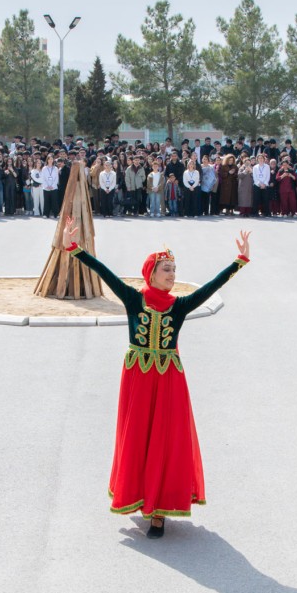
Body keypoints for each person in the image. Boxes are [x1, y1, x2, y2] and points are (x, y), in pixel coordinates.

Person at [62, 216, 251, 538]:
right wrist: (74, 249)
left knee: (166, 439)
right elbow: (105, 273)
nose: (172, 276)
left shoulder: (179, 306)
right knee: (136, 437)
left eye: (175, 271)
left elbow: (210, 287)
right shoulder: (133, 298)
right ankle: (137, 495)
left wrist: (240, 261)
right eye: (167, 270)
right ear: (151, 272)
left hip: (168, 379)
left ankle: (159, 510)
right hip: (138, 375)